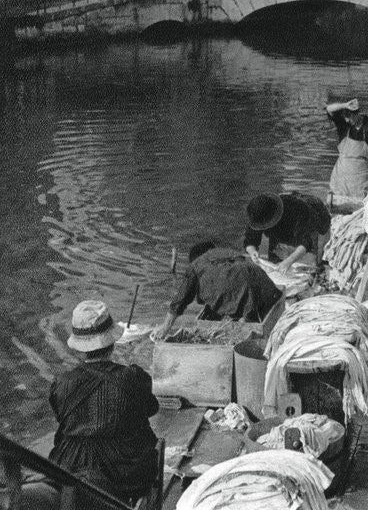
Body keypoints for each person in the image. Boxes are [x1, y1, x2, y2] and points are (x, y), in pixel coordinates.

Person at [48, 300, 159, 504]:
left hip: (70, 466)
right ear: (112, 340)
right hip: (123, 472)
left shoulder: (61, 383)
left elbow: (61, 417)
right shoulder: (131, 377)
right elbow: (152, 408)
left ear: (80, 346)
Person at [152, 240, 282, 340]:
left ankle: (244, 321)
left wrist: (164, 329)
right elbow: (241, 270)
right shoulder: (223, 252)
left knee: (237, 302)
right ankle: (246, 319)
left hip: (245, 290)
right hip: (265, 285)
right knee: (246, 304)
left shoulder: (195, 265)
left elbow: (180, 301)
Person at [244, 191, 332, 270]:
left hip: (317, 219)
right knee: (275, 261)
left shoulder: (298, 209)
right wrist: (252, 251)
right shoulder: (258, 214)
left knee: (314, 264)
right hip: (285, 229)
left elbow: (307, 242)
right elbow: (250, 239)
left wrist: (289, 261)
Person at [325, 98, 368, 202]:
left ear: (357, 113)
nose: (347, 120)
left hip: (364, 180)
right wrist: (345, 105)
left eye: (349, 117)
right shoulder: (344, 125)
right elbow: (329, 109)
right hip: (342, 180)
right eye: (345, 117)